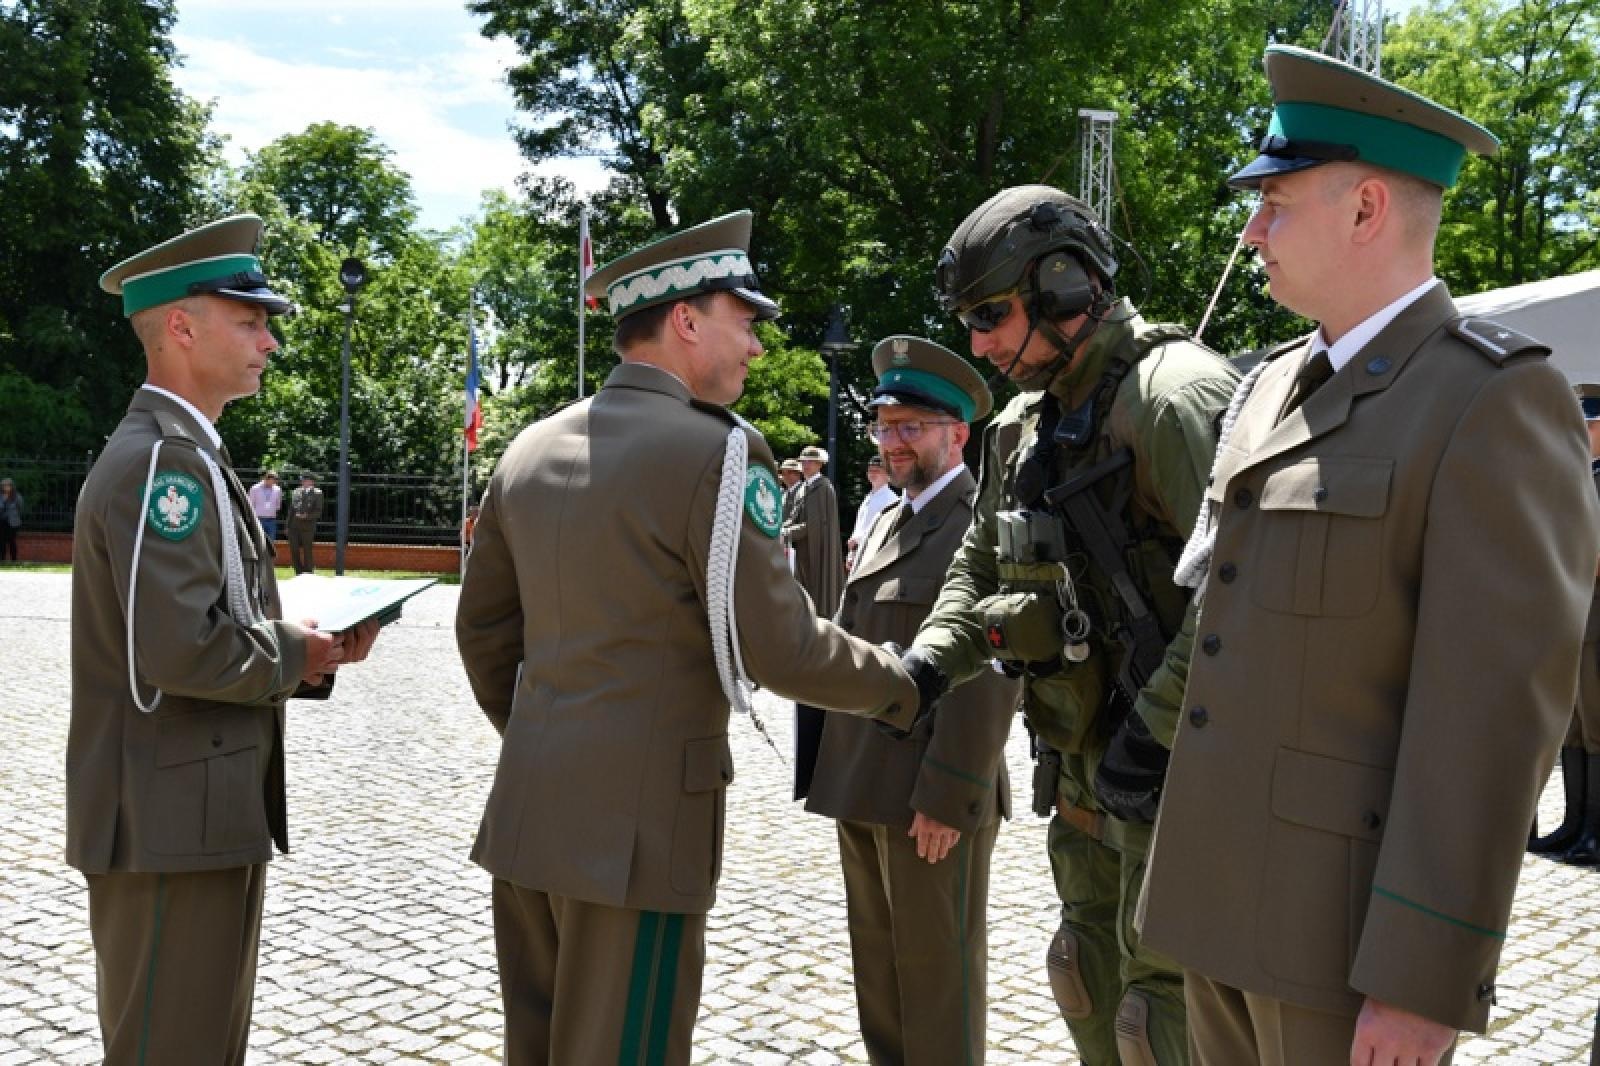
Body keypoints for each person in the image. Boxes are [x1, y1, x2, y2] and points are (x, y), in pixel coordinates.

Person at [1135, 46, 1600, 1066]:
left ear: (1366, 208)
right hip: (1215, 908)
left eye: (1275, 202)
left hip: (1336, 945)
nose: (1251, 229)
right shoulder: (1266, 388)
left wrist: (1422, 976)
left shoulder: (1489, 398)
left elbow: (1491, 714)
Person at [454, 210, 931, 1066]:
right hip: (638, 837)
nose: (755, 348)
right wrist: (901, 681)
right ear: (685, 320)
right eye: (744, 323)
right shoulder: (720, 451)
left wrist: (550, 738)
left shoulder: (527, 448)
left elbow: (484, 635)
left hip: (529, 814)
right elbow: (781, 648)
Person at [901, 184, 1240, 1065]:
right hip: (1085, 769)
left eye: (989, 315)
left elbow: (1244, 599)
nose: (977, 345)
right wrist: (931, 663)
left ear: (1065, 286)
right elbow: (980, 562)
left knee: (1161, 1013)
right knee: (1083, 973)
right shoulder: (1025, 422)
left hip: (1175, 776)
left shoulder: (1174, 400)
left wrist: (1153, 737)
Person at [69, 214, 381, 1065]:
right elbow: (178, 652)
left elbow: (209, 622)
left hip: (192, 810)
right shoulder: (164, 461)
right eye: (250, 321)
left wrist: (302, 653)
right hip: (169, 815)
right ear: (180, 326)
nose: (270, 341)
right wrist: (298, 652)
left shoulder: (185, 453)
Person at [796, 335, 1019, 1065]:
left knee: (937, 981)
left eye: (911, 428)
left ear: (958, 434)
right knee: (881, 976)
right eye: (884, 427)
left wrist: (952, 793)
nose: (893, 443)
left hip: (928, 793)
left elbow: (992, 662)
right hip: (863, 780)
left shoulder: (974, 524)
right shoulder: (890, 513)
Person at [1529, 381, 1600, 865]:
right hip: (1575, 612)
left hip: (1595, 611)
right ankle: (1576, 824)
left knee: (1596, 726)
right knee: (1573, 726)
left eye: (1590, 423)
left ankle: (1595, 832)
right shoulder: (1581, 474)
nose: (1584, 431)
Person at [783, 444, 845, 615]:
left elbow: (813, 526)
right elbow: (795, 516)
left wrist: (785, 532)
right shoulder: (804, 487)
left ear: (819, 464)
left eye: (811, 461)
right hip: (803, 549)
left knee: (817, 589)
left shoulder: (822, 487)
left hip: (816, 550)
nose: (806, 465)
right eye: (803, 461)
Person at [845, 455, 897, 571]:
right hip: (859, 551)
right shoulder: (869, 497)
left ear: (887, 475)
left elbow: (886, 531)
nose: (872, 473)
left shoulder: (891, 499)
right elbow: (860, 525)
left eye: (877, 471)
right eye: (870, 470)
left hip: (874, 552)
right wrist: (852, 552)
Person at [287, 471, 323, 574]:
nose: (303, 482)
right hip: (294, 526)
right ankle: (298, 570)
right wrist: (287, 526)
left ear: (311, 482)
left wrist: (307, 516)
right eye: (302, 480)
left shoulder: (317, 493)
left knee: (307, 550)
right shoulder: (296, 491)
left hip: (308, 527)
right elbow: (291, 510)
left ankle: (308, 571)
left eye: (305, 480)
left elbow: (318, 511)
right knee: (294, 549)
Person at [248, 469, 282, 542]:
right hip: (258, 519)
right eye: (272, 480)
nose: (274, 482)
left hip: (271, 520)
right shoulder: (255, 488)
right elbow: (250, 504)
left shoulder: (278, 489)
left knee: (271, 542)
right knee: (258, 541)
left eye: (275, 481)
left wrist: (270, 510)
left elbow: (278, 505)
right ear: (266, 479)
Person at [0, 477, 22, 562]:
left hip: (13, 522)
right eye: (3, 486)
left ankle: (14, 560)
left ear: (11, 486)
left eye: (7, 486)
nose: (5, 487)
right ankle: (2, 559)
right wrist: (4, 500)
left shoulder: (17, 496)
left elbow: (20, 507)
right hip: (2, 521)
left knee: (12, 541)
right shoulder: (1, 496)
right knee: (1, 541)